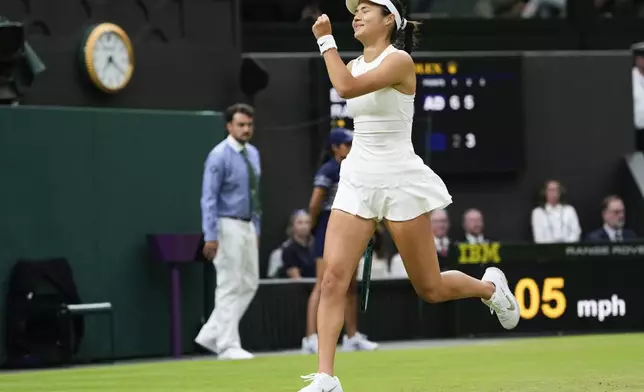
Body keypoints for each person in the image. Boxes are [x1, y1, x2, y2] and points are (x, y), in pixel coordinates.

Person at [299, 1, 520, 390]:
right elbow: (348, 80)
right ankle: (326, 378)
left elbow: (345, 88)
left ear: (389, 20)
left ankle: (489, 288)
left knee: (430, 288)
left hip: (399, 178)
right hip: (358, 181)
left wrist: (325, 41)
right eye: (355, 9)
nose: (357, 14)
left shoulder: (399, 60)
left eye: (368, 8)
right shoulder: (352, 64)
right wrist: (331, 47)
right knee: (333, 278)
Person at [302, 128, 379, 355]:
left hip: (350, 227)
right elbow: (315, 203)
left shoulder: (356, 171)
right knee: (323, 284)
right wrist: (315, 228)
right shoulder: (329, 169)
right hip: (328, 226)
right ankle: (310, 338)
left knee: (350, 286)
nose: (352, 148)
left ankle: (351, 336)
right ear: (336, 148)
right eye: (347, 144)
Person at [195, 103, 262, 361]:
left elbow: (256, 195)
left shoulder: (253, 154)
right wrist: (210, 234)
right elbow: (208, 198)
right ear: (229, 126)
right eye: (241, 125)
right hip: (226, 224)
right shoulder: (219, 155)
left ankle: (211, 333)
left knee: (249, 282)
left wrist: (256, 227)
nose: (246, 129)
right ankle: (226, 344)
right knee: (229, 283)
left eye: (249, 125)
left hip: (247, 224)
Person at [531, 179, 581, 244]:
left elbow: (576, 232)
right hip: (547, 250)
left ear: (560, 192)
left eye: (556, 190)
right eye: (550, 190)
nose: (553, 193)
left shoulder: (569, 210)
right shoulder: (538, 212)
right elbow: (538, 237)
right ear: (545, 192)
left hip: (568, 248)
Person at [282, 209, 316, 279]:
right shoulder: (288, 250)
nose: (304, 226)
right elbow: (297, 279)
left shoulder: (315, 247)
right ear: (292, 226)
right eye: (300, 223)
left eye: (307, 223)